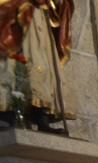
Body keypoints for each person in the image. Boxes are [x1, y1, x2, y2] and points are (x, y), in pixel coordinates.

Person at [0, 1, 74, 132]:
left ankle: (40, 113)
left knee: (40, 63)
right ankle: (6, 112)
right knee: (8, 62)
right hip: (11, 11)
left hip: (37, 14)